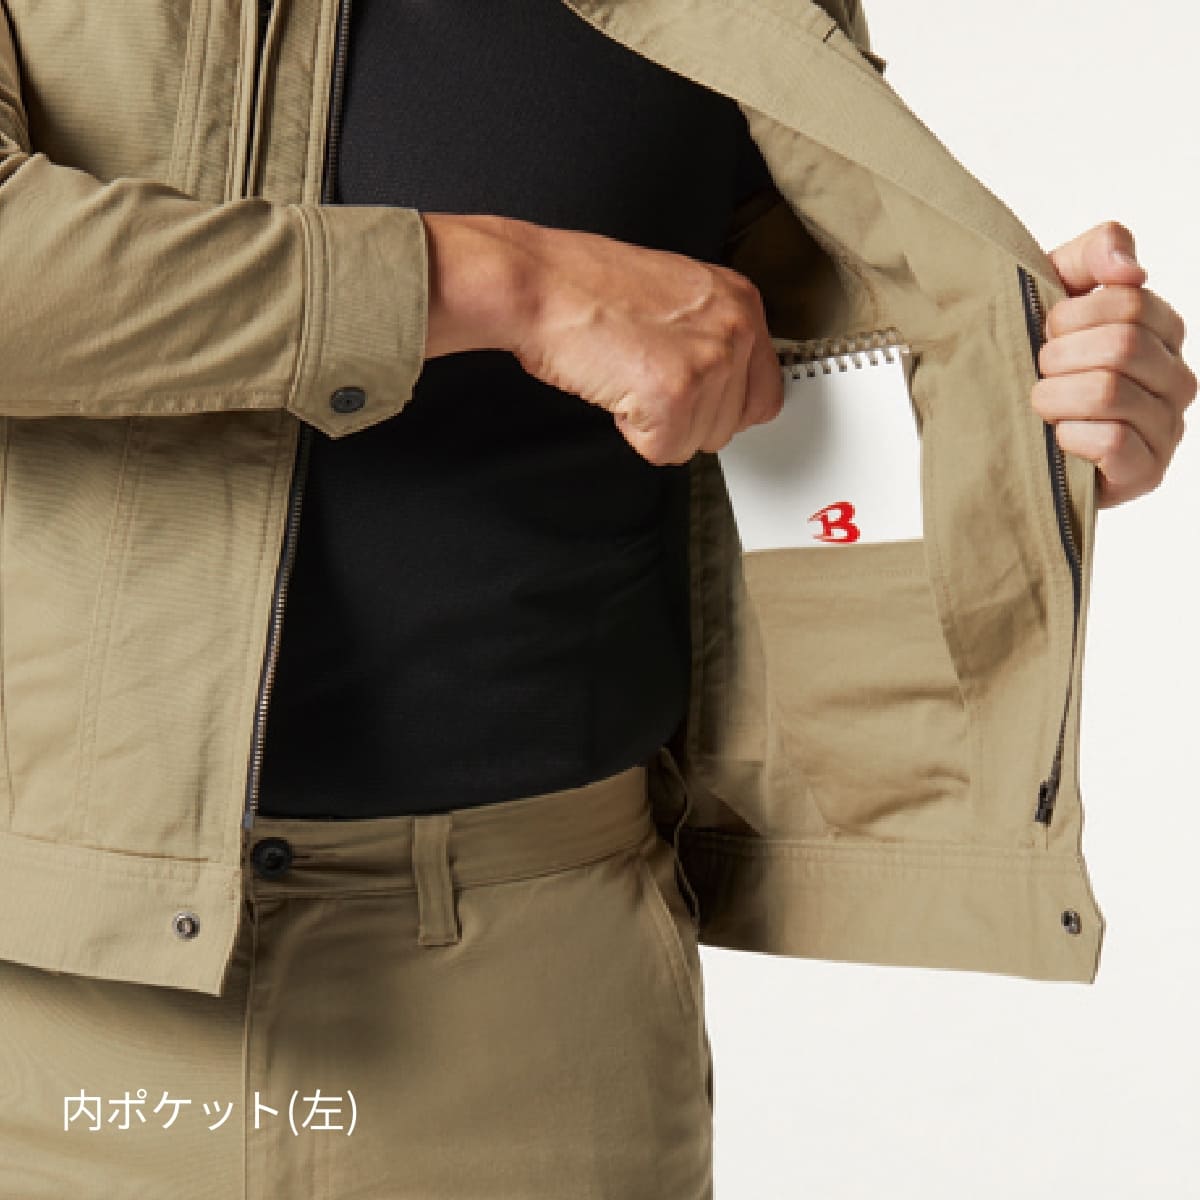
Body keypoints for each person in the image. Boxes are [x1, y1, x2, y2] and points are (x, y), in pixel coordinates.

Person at [0, 1, 1192, 1197]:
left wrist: (1025, 411)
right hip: (47, 997)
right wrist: (508, 282)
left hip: (543, 1002)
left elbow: (774, 345)